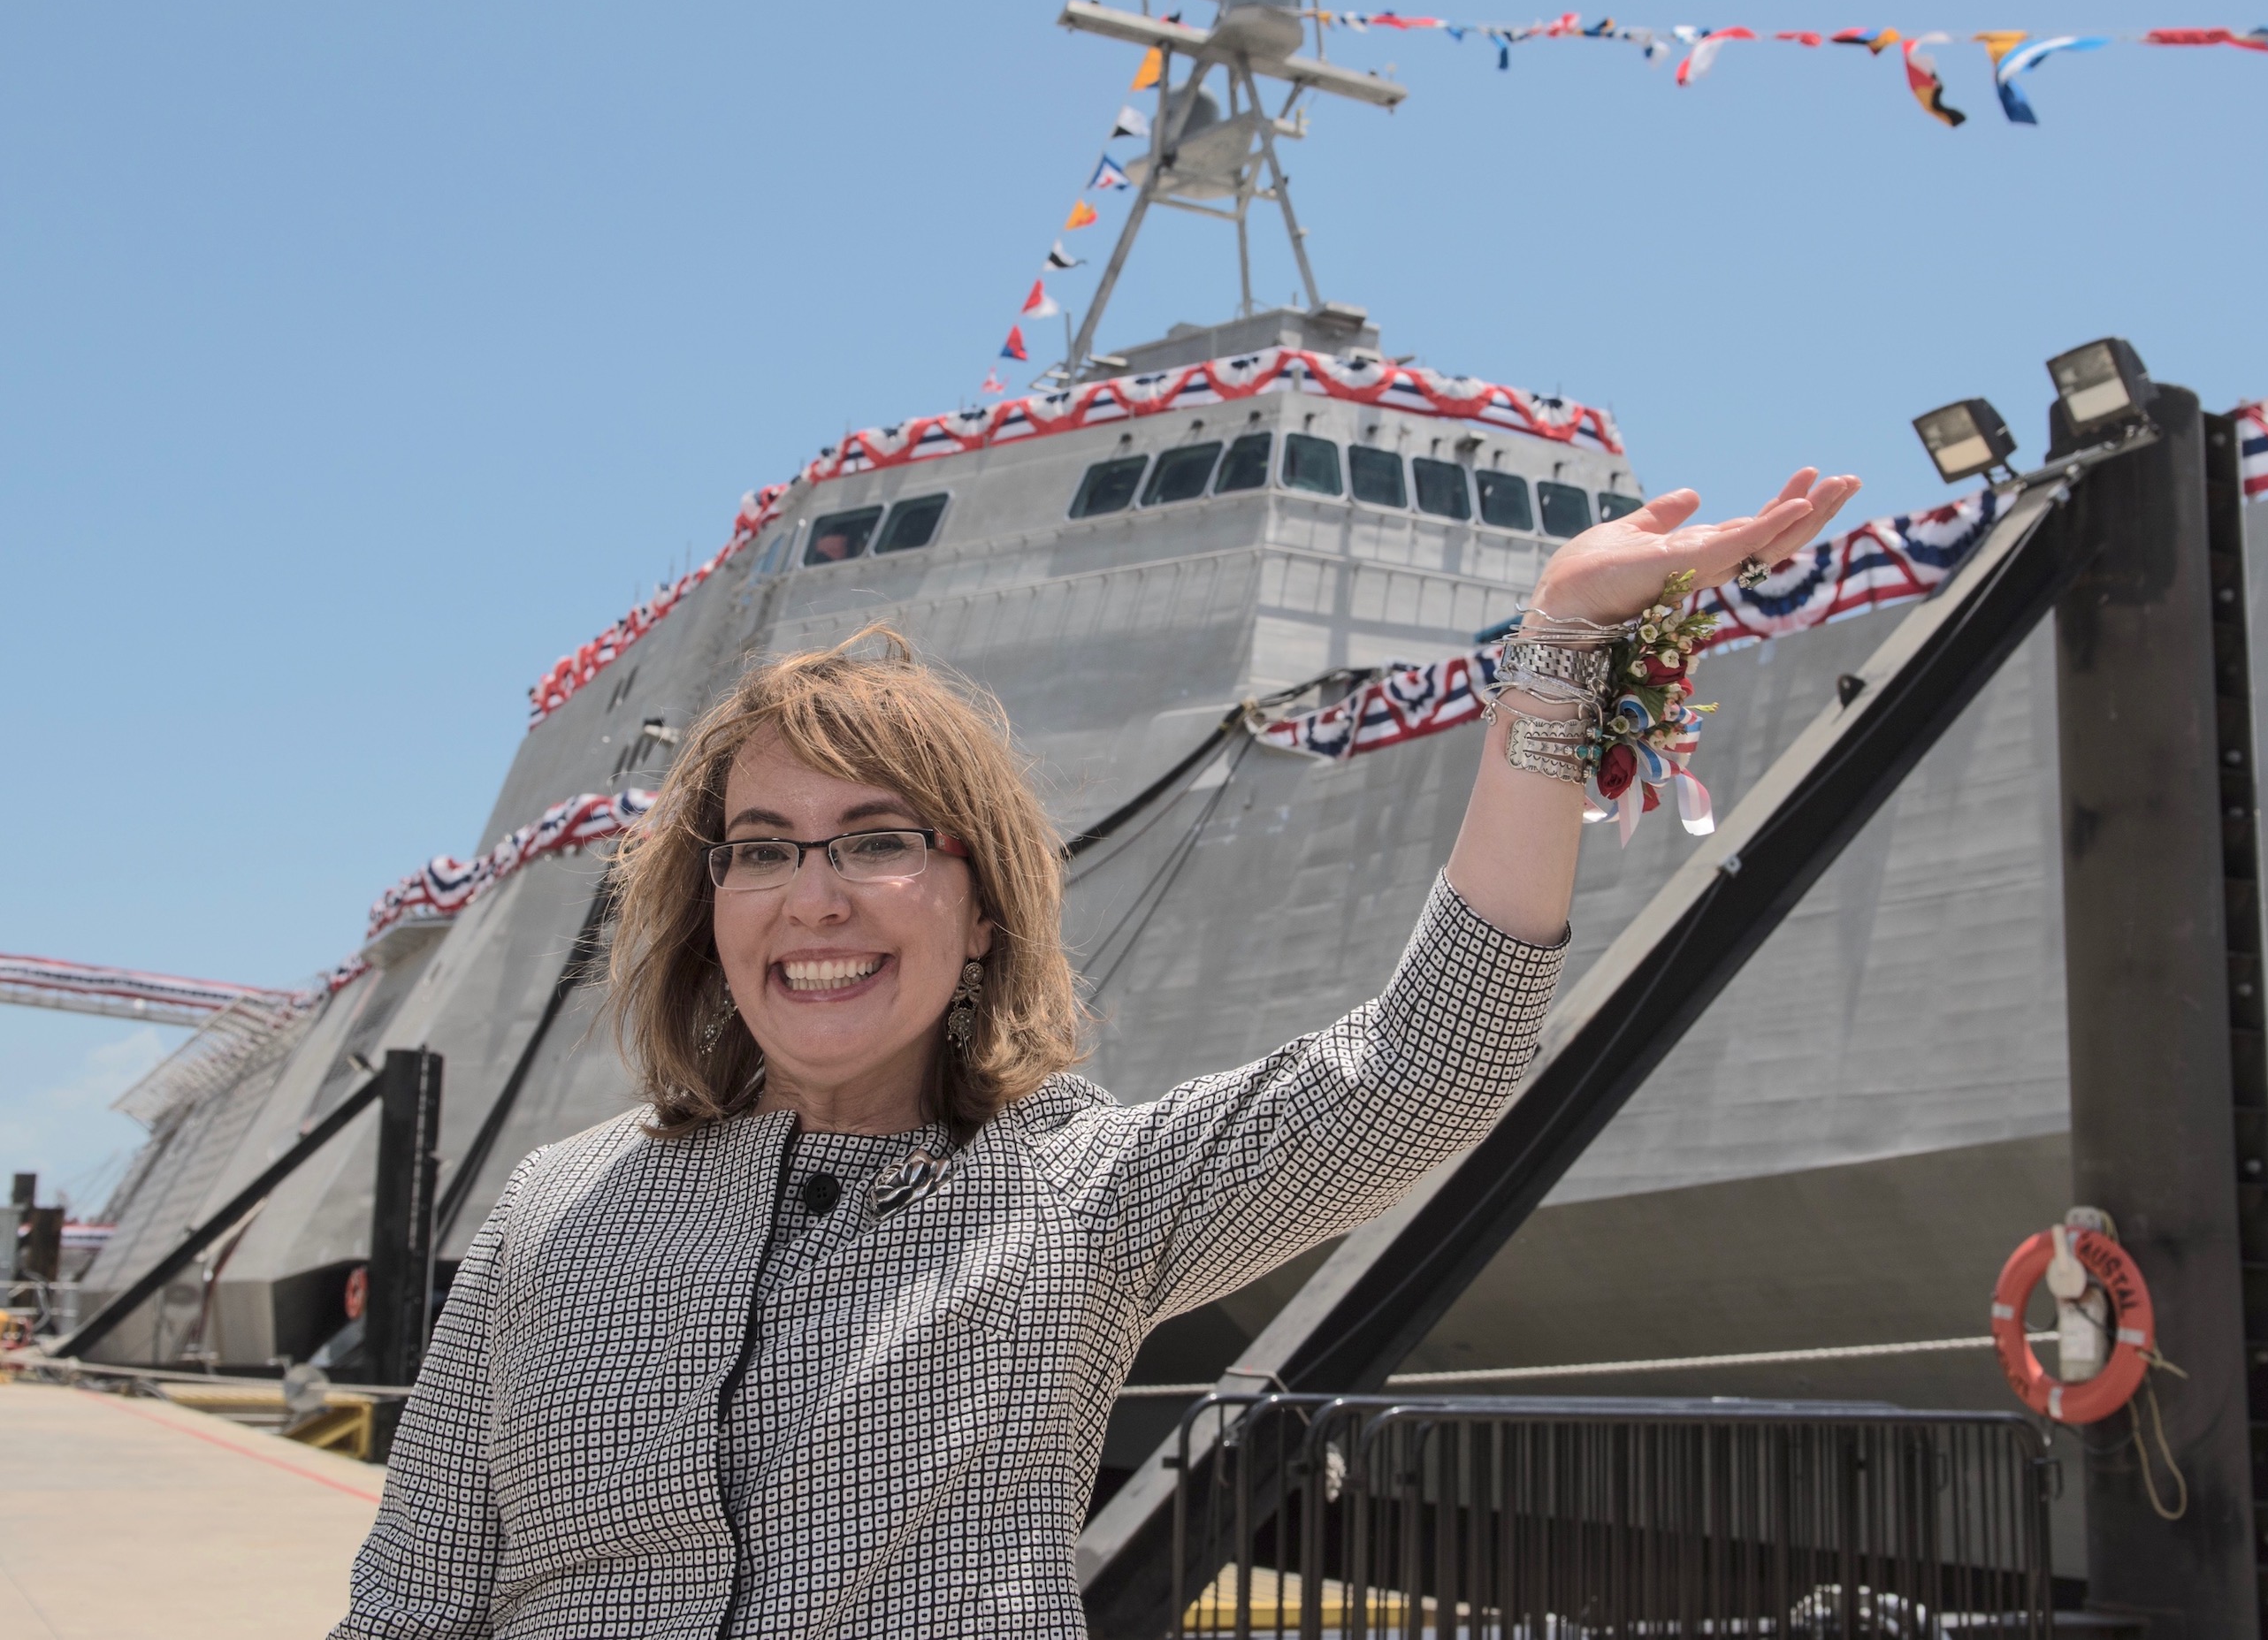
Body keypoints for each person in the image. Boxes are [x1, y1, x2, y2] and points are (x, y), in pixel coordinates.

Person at [334, 469, 1859, 1638]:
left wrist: (1561, 655)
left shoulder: (1081, 1197)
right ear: (709, 904)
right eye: (761, 850)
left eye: (879, 840)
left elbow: (1427, 1069)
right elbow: (410, 1602)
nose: (814, 894)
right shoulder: (553, 1210)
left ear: (982, 909)